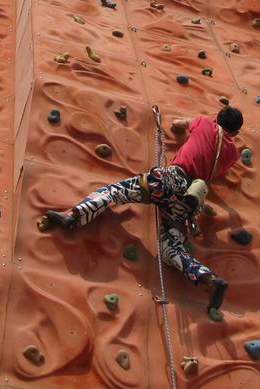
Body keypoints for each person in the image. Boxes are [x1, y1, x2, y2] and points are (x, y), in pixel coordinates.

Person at [39, 105, 244, 312]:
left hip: (169, 180)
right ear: (235, 133)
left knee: (114, 192)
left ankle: (74, 215)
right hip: (188, 200)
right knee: (171, 248)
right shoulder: (232, 155)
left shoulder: (205, 123)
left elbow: (177, 125)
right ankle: (207, 279)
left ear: (217, 118)